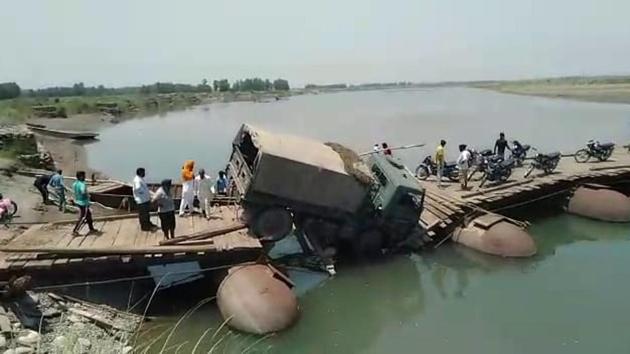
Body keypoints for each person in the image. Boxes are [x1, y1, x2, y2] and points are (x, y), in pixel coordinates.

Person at [72, 171, 96, 236]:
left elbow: (75, 192)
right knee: (83, 217)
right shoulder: (82, 184)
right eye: (84, 176)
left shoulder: (75, 184)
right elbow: (83, 192)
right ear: (80, 176)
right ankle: (75, 230)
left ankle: (91, 228)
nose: (85, 177)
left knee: (89, 215)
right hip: (84, 203)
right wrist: (88, 196)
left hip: (78, 201)